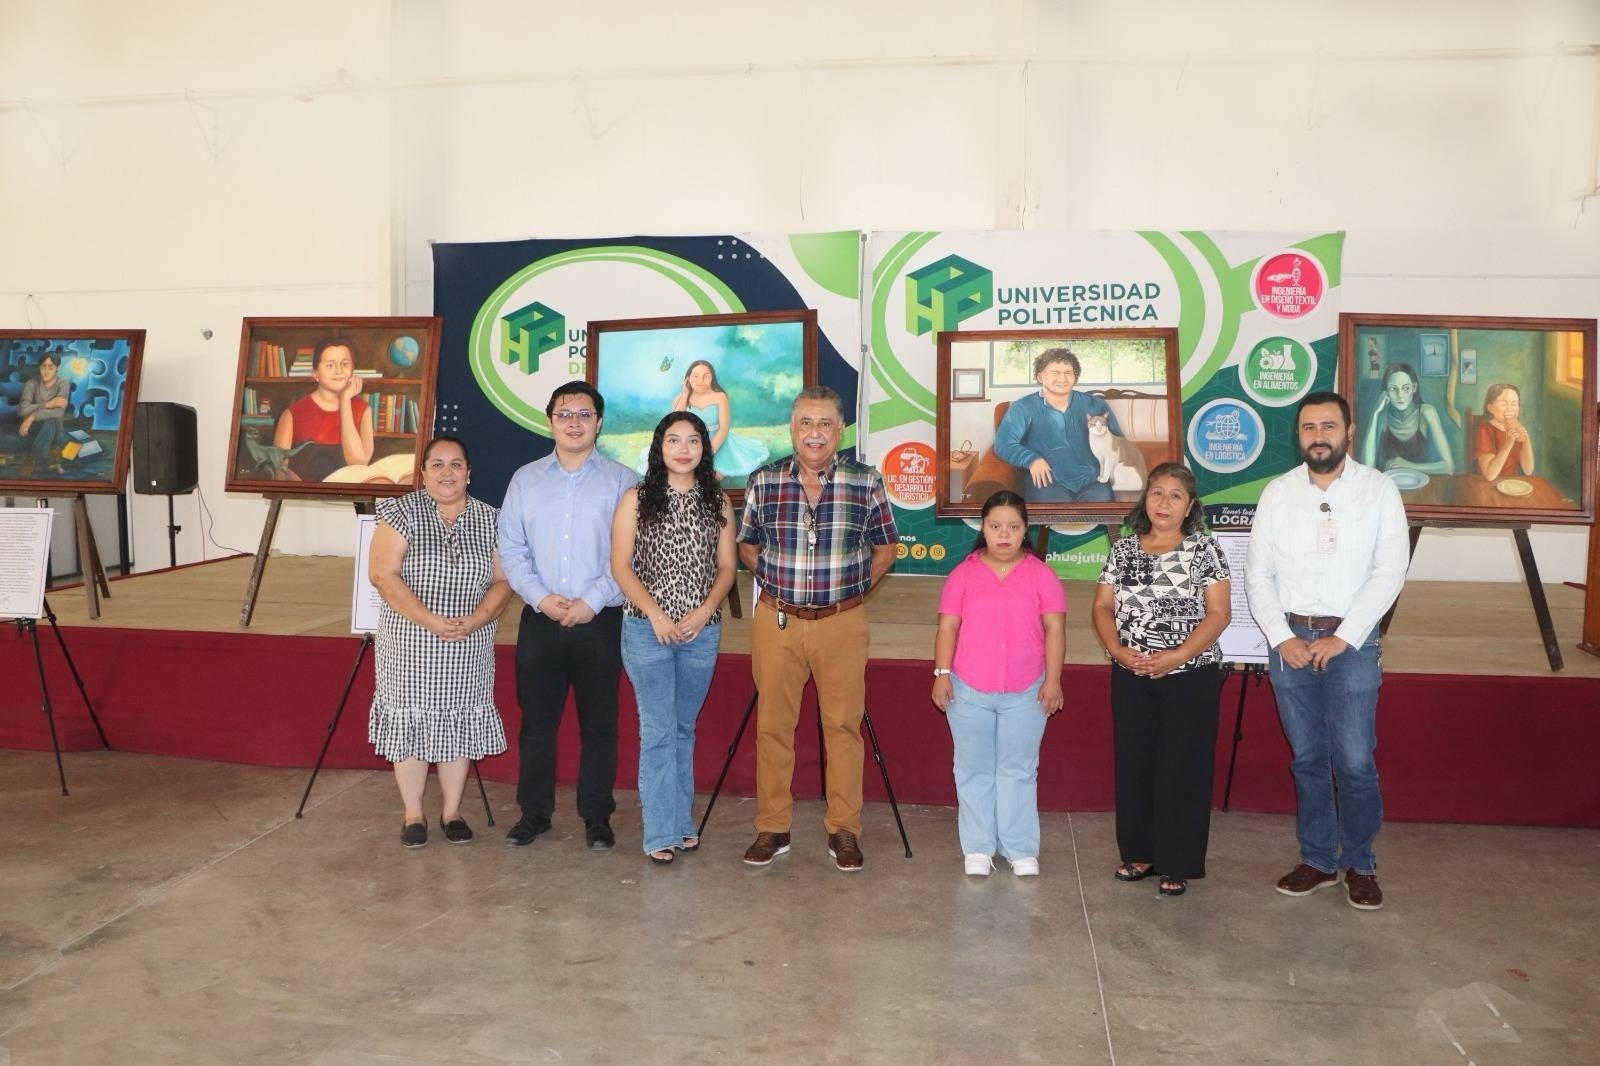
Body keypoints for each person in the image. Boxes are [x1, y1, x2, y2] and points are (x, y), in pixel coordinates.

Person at [1245, 391, 1409, 911]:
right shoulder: (1278, 493)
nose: (1319, 436)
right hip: (1290, 642)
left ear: (1349, 432)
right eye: (1309, 427)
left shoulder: (1378, 490)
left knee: (1355, 760)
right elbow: (1257, 574)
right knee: (1308, 758)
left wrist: (1347, 635)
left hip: (1352, 644)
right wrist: (1281, 636)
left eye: (1329, 426)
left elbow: (1390, 570)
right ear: (1298, 435)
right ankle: (1317, 860)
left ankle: (1360, 863)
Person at [738, 384, 897, 871]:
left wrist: (852, 591)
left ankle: (844, 829)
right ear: (792, 429)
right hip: (778, 621)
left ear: (840, 430)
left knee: (843, 727)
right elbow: (748, 545)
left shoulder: (865, 481)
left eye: (825, 423)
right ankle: (772, 827)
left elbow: (885, 547)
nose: (815, 433)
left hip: (842, 623)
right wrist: (778, 584)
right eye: (805, 423)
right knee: (773, 727)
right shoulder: (764, 481)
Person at [498, 381, 638, 851]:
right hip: (541, 620)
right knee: (537, 725)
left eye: (584, 414)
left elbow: (629, 554)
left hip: (600, 621)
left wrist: (591, 601)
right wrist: (540, 597)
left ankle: (597, 817)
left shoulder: (622, 481)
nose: (573, 422)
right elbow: (511, 548)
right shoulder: (525, 480)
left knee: (599, 725)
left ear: (599, 422)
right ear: (550, 422)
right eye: (564, 414)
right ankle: (534, 814)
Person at [1091, 462, 1230, 898]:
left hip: (1191, 675)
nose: (1164, 502)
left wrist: (1176, 657)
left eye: (1175, 495)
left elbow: (1219, 614)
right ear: (1144, 499)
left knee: (1182, 767)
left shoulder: (1205, 549)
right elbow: (1101, 607)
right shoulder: (1123, 549)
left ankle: (1177, 860)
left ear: (1190, 506)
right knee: (1135, 763)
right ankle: (1139, 852)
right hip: (1131, 673)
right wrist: (1116, 650)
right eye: (1156, 493)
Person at [367, 435, 511, 848]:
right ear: (423, 472)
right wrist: (431, 621)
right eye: (437, 464)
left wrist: (476, 620)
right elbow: (382, 575)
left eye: (456, 464)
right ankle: (413, 813)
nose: (447, 473)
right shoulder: (401, 512)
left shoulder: (491, 519)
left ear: (469, 472)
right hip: (409, 643)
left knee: (457, 724)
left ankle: (452, 812)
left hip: (469, 642)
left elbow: (504, 581)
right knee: (411, 723)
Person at [610, 412, 737, 865]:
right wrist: (656, 614)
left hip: (701, 632)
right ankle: (660, 831)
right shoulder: (637, 498)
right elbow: (620, 565)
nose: (684, 449)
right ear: (659, 447)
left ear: (705, 448)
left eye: (694, 440)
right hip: (648, 630)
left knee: (684, 728)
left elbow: (727, 567)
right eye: (674, 440)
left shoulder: (717, 501)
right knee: (659, 730)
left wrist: (704, 611)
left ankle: (681, 823)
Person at [930, 491, 1064, 877]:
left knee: (1018, 769)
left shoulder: (1042, 575)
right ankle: (977, 846)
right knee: (972, 768)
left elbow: (1055, 630)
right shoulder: (963, 574)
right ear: (983, 529)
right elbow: (947, 627)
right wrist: (941, 674)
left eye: (1013, 527)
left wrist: (1053, 680)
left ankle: (1019, 847)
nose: (1004, 534)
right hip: (968, 689)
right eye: (995, 526)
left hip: (1027, 691)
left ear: (1025, 530)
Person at [993, 347, 1122, 503]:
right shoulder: (1022, 408)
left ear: (1075, 377)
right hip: (1046, 480)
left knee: (1101, 510)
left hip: (1092, 480)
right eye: (1055, 373)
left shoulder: (1095, 405)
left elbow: (1119, 442)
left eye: (1068, 373)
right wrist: (1031, 459)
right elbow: (1003, 444)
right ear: (1040, 376)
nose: (1062, 379)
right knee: (1053, 511)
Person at [273, 338, 375, 481]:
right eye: (330, 365)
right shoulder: (292, 414)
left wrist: (345, 401)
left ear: (353, 369)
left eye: (345, 364)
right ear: (316, 374)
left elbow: (358, 463)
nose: (339, 370)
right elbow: (279, 473)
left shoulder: (363, 410)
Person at [671, 359, 769, 478]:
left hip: (718, 441)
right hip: (691, 442)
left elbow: (724, 428)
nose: (700, 381)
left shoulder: (720, 397)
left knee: (713, 475)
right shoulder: (680, 398)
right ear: (688, 379)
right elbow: (674, 423)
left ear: (712, 377)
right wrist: (685, 395)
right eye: (695, 376)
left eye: (706, 376)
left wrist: (709, 451)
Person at [1359, 362, 1455, 475]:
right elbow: (1367, 467)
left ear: (1414, 388)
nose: (1400, 395)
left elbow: (1449, 467)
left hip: (1420, 483)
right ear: (1386, 392)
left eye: (1406, 388)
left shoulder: (1427, 412)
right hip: (1387, 483)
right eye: (1393, 389)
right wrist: (1375, 414)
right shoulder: (1383, 416)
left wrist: (1408, 466)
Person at [17, 350, 70, 477]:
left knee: (51, 421)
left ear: (57, 368)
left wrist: (32, 416)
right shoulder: (31, 384)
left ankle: (32, 458)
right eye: (43, 367)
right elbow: (22, 410)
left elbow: (58, 412)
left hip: (55, 429)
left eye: (50, 367)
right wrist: (48, 404)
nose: (46, 371)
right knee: (48, 420)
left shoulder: (63, 384)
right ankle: (49, 454)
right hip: (34, 428)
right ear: (39, 367)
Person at [1474, 383, 1535, 480]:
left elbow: (1528, 470)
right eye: (1503, 404)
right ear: (1490, 408)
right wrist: (1509, 442)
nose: (1510, 408)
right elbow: (1490, 476)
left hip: (1511, 483)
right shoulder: (1485, 430)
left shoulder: (1517, 430)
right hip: (1487, 484)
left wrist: (1526, 439)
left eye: (1514, 404)